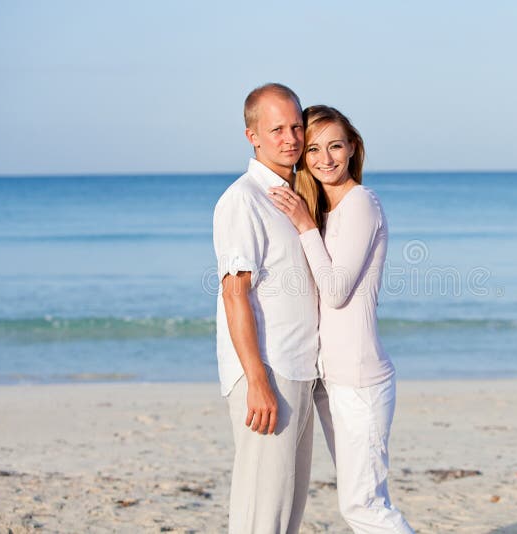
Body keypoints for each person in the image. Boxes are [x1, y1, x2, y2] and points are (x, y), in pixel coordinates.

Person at [268, 105, 414, 533]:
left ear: (352, 148)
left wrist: (300, 224)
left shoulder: (361, 203)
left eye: (335, 146)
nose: (325, 158)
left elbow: (334, 292)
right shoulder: (326, 212)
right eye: (313, 149)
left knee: (363, 506)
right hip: (333, 381)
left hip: (362, 383)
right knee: (366, 500)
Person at [212, 83, 319, 533]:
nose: (290, 138)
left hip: (299, 369)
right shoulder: (244, 199)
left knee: (286, 511)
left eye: (296, 126)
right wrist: (257, 379)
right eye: (277, 129)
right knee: (261, 512)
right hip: (268, 372)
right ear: (252, 135)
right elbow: (234, 294)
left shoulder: (294, 195)